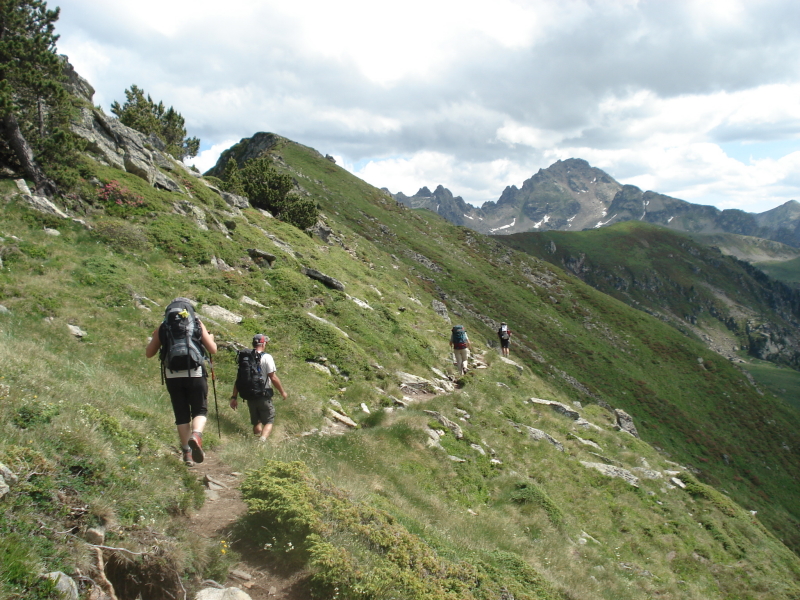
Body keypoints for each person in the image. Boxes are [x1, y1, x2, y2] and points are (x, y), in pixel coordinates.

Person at [145, 298, 217, 467]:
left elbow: (149, 353)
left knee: (181, 414)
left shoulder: (164, 326)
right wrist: (210, 338)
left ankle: (187, 453)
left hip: (172, 375)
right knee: (200, 410)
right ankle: (196, 435)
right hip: (195, 372)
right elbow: (213, 349)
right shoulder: (196, 323)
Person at [229, 334, 288, 442]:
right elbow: (273, 377)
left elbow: (239, 379)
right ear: (263, 344)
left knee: (256, 422)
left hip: (250, 395)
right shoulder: (267, 357)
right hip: (263, 394)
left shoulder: (246, 358)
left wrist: (234, 397)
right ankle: (262, 440)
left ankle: (256, 441)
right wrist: (282, 392)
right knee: (269, 420)